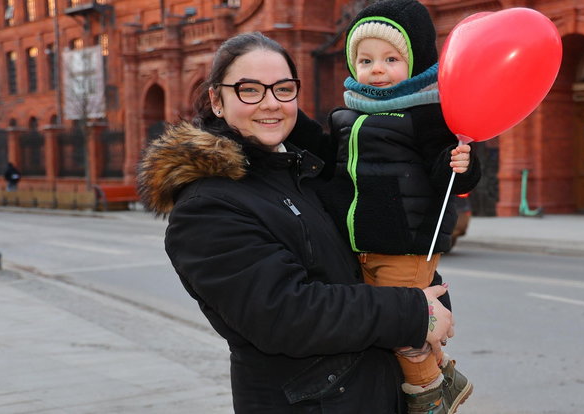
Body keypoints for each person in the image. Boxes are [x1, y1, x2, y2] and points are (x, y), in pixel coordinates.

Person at [136, 31, 456, 413]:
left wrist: (424, 293)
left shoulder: (300, 174)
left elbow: (362, 265)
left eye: (283, 89)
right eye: (249, 90)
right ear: (216, 100)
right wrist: (411, 311)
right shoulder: (207, 206)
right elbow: (284, 314)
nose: (270, 103)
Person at [314, 1, 481, 412]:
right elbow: (332, 169)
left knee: (403, 332)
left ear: (417, 62)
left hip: (407, 239)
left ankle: (428, 398)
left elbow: (448, 174)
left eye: (391, 59)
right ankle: (448, 376)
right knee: (395, 317)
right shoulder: (345, 116)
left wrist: (461, 165)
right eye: (365, 59)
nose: (377, 68)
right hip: (362, 243)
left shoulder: (427, 114)